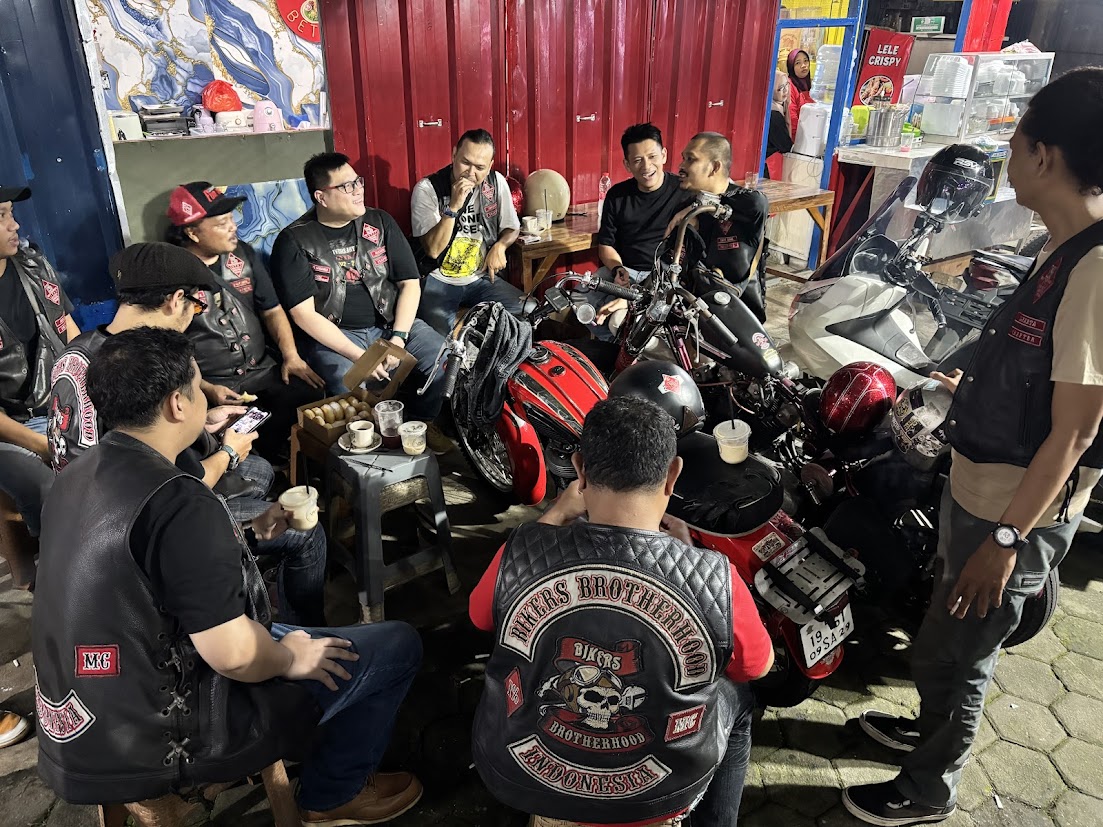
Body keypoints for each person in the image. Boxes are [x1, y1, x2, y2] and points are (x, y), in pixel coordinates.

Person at [842, 68, 1103, 826]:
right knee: (939, 640)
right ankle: (926, 735)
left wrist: (1006, 541)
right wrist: (975, 385)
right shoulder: (1061, 245)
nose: (1007, 161)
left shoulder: (1094, 268)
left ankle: (929, 788)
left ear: (1045, 155)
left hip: (1012, 511)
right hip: (981, 486)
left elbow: (1077, 429)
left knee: (963, 656)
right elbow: (1040, 376)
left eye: (1014, 144)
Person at [33, 326, 424, 824]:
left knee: (292, 639)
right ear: (177, 404)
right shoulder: (177, 500)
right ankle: (333, 795)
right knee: (395, 646)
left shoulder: (76, 474)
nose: (204, 398)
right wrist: (289, 657)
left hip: (82, 713)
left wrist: (247, 535)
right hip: (164, 727)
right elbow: (234, 655)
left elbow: (153, 570)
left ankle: (319, 735)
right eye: (198, 387)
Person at [469, 395, 773, 827]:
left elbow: (480, 616)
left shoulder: (520, 550)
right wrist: (688, 563)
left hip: (515, 774)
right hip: (656, 796)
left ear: (579, 470)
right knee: (739, 696)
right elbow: (757, 665)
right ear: (673, 475)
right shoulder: (715, 577)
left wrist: (554, 515)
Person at [48, 243, 326, 626]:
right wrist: (227, 453)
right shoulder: (109, 368)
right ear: (175, 300)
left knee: (260, 472)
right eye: (196, 307)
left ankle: (247, 575)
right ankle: (297, 634)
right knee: (305, 532)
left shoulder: (109, 351)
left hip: (154, 491)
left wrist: (203, 423)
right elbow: (143, 493)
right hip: (144, 528)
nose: (194, 316)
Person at [270, 153, 451, 452]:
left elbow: (409, 283)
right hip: (338, 336)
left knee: (444, 359)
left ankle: (421, 422)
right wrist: (360, 357)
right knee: (346, 384)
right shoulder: (295, 241)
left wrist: (399, 338)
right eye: (347, 186)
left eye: (358, 182)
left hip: (390, 325)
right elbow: (303, 315)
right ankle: (368, 452)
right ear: (321, 197)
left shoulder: (380, 222)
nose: (358, 190)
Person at [165, 181, 325, 458]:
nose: (233, 227)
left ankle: (284, 462)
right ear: (192, 232)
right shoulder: (169, 274)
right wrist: (206, 388)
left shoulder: (244, 255)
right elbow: (168, 347)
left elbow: (272, 309)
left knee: (308, 392)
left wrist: (291, 356)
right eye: (222, 223)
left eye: (232, 219)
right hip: (210, 381)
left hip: (260, 369)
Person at [0, 182, 74, 744]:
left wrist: (91, 386)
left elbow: (67, 330)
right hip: (10, 428)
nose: (15, 225)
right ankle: (66, 598)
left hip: (58, 403)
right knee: (53, 487)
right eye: (2, 217)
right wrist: (46, 446)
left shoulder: (30, 264)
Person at [583, 123, 692, 341]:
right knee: (582, 298)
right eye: (637, 160)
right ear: (627, 164)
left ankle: (629, 347)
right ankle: (614, 347)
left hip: (665, 275)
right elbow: (606, 245)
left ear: (664, 155)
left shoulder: (684, 192)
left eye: (652, 157)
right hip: (628, 270)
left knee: (622, 322)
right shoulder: (617, 195)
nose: (646, 166)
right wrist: (617, 269)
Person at [411, 129, 522, 335]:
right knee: (437, 338)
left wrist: (501, 245)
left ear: (490, 166)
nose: (471, 173)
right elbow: (433, 250)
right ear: (454, 155)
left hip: (481, 278)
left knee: (528, 310)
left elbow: (512, 227)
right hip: (439, 278)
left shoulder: (495, 183)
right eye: (465, 163)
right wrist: (453, 207)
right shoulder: (428, 189)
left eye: (480, 167)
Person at [765, 71, 794, 180]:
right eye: (780, 88)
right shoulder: (774, 114)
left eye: (786, 85)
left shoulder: (779, 107)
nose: (785, 90)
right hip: (768, 168)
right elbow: (785, 145)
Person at [786, 49, 813, 139]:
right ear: (791, 67)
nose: (803, 65)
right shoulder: (789, 85)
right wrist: (799, 139)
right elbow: (791, 117)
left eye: (806, 61)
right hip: (797, 138)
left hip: (811, 135)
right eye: (798, 63)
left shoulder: (811, 85)